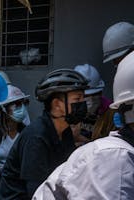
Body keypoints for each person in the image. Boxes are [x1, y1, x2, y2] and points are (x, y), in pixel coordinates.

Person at [33, 51, 134, 200]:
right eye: (78, 98)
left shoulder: (70, 133)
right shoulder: (114, 157)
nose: (85, 103)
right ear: (57, 104)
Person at [0, 68, 89, 199]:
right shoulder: (37, 137)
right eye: (77, 99)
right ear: (57, 105)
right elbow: (37, 193)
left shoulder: (65, 131)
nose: (82, 103)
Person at [0, 85, 30, 183]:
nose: (22, 108)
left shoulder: (25, 131)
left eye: (24, 103)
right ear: (3, 108)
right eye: (16, 104)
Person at [74, 64, 115, 141]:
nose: (91, 100)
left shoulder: (110, 111)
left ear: (101, 92)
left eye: (95, 94)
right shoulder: (68, 110)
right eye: (86, 96)